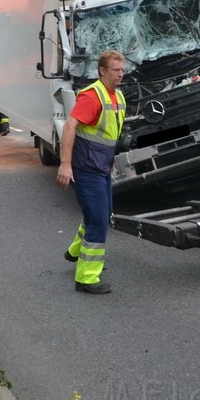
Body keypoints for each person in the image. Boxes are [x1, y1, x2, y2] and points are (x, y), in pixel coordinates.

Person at [57, 50, 126, 295]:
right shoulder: (92, 96)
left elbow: (110, 135)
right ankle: (86, 278)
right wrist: (65, 164)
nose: (121, 73)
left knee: (101, 214)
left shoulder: (117, 96)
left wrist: (110, 160)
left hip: (101, 166)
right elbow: (69, 127)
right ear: (102, 71)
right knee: (98, 220)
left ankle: (76, 252)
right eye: (116, 70)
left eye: (122, 69)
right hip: (86, 169)